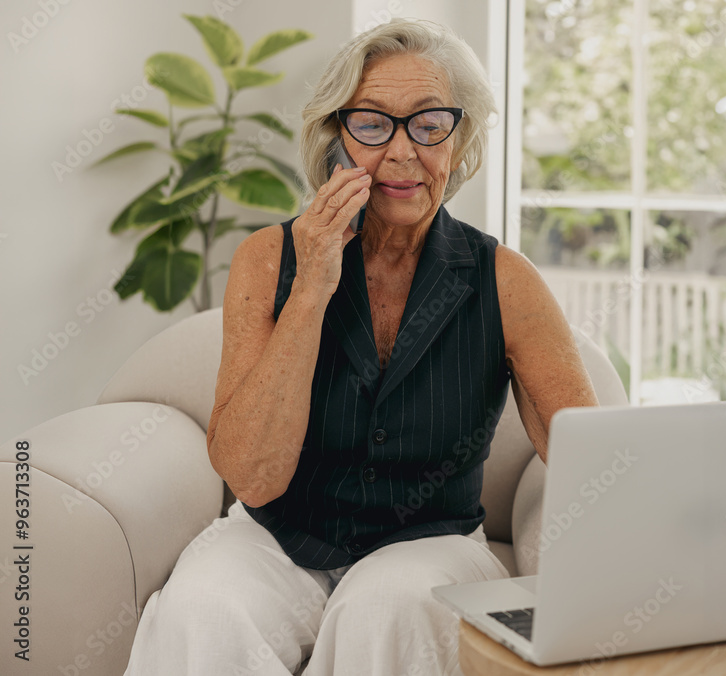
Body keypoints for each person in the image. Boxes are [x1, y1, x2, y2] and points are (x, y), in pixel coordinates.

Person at [124, 18, 598, 676]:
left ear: (459, 142)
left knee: (388, 608)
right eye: (373, 124)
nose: (404, 153)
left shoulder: (503, 279)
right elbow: (252, 475)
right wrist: (312, 287)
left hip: (430, 539)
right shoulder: (269, 261)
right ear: (336, 139)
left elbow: (587, 449)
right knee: (200, 611)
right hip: (277, 534)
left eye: (430, 123)